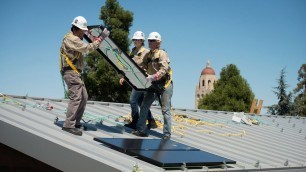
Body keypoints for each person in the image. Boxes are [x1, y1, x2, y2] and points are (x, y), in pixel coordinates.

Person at [60, 16, 109, 136]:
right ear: (77, 29)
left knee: (84, 96)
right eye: (83, 30)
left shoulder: (75, 37)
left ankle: (76, 123)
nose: (84, 32)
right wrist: (101, 38)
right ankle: (68, 125)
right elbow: (88, 48)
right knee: (76, 97)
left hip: (75, 72)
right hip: (71, 72)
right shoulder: (72, 39)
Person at [132, 32, 173, 140]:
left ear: (158, 42)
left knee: (165, 110)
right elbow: (142, 66)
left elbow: (164, 69)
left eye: (152, 41)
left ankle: (167, 134)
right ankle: (141, 129)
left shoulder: (162, 54)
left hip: (164, 85)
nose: (150, 42)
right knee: (145, 105)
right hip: (154, 85)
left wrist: (154, 76)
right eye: (149, 40)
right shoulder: (148, 55)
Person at [119, 31, 157, 129]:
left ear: (142, 41)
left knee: (133, 100)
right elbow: (128, 66)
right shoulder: (132, 51)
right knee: (140, 102)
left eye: (137, 39)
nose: (135, 41)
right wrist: (123, 76)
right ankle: (151, 120)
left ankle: (135, 121)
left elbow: (149, 67)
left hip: (142, 80)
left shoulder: (146, 52)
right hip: (134, 80)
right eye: (134, 39)